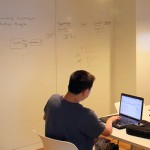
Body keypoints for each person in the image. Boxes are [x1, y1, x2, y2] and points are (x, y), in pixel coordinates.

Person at [43, 70, 121, 150]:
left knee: (95, 137)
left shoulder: (53, 100)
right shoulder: (86, 114)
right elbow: (107, 132)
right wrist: (110, 120)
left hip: (54, 147)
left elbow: (45, 118)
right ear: (86, 91)